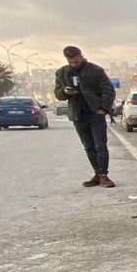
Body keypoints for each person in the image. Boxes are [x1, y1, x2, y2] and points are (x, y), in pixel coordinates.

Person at [54, 45, 117, 188]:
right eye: (70, 62)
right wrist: (65, 91)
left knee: (100, 145)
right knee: (88, 146)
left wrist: (103, 108)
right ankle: (97, 174)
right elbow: (57, 93)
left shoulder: (95, 70)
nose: (73, 64)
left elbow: (108, 90)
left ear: (81, 56)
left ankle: (104, 176)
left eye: (76, 61)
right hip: (78, 114)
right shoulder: (62, 73)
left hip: (95, 113)